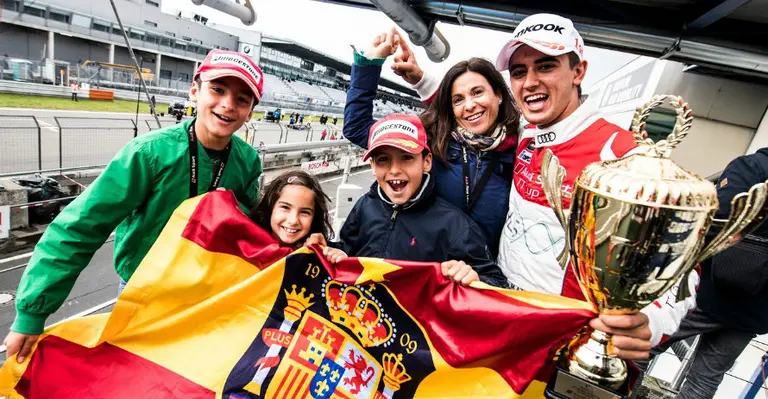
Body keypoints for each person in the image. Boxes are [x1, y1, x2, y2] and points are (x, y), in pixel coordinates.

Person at [389, 14, 693, 359]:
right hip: (498, 312)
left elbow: (681, 259)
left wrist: (650, 321)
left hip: (565, 340)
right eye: (519, 72)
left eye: (545, 67)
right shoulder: (526, 131)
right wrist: (421, 78)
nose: (530, 82)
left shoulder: (622, 152)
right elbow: (468, 111)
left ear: (578, 72)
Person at [3, 50, 265, 363]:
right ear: (194, 91)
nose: (227, 105)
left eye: (242, 99)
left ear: (250, 112)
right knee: (131, 379)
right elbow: (80, 226)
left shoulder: (248, 162)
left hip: (205, 295)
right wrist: (32, 313)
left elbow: (257, 229)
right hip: (142, 292)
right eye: (218, 90)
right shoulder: (148, 153)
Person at [344, 29, 519, 260]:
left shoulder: (521, 149)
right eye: (458, 100)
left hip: (480, 274)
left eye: (478, 93)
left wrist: (422, 80)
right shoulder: (434, 139)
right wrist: (370, 62)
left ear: (498, 95)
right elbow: (356, 128)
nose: (469, 106)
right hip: (428, 269)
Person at [636, 148, 768, 399]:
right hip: (756, 309)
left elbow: (714, 218)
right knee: (706, 378)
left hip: (707, 292)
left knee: (641, 348)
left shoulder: (753, 167)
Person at [323, 114, 509, 288]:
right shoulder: (365, 205)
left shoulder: (454, 225)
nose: (395, 169)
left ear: (426, 162)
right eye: (383, 159)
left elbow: (497, 283)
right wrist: (327, 248)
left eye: (406, 158)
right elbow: (347, 249)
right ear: (372, 166)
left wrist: (474, 278)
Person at [249, 170, 333, 250]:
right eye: (285, 207)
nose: (293, 221)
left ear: (314, 218)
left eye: (304, 212)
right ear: (270, 208)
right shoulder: (246, 243)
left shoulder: (318, 252)